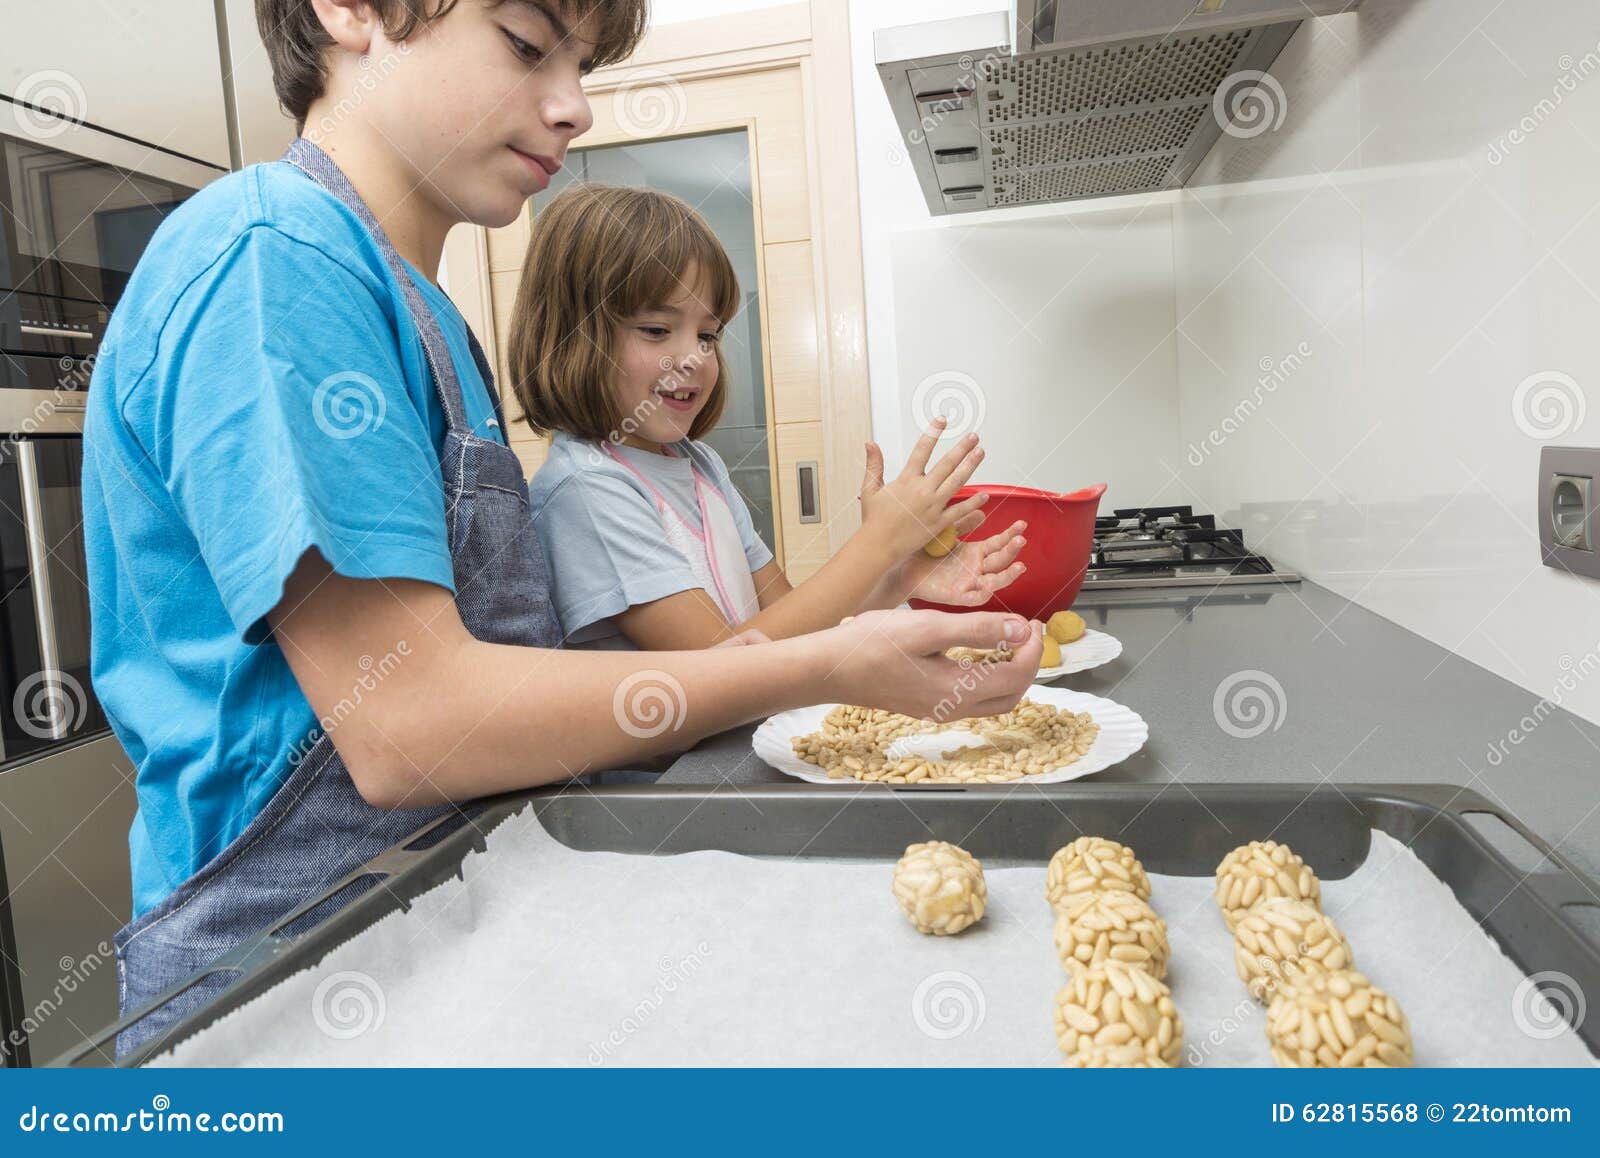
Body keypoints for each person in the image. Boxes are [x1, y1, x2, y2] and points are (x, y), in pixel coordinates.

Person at [80, 0, 1042, 1057]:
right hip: (290, 975)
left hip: (435, 925)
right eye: (528, 46)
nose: (573, 106)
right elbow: (408, 726)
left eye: (581, 64)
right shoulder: (274, 264)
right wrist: (831, 665)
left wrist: (864, 619)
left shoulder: (418, 309)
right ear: (350, 12)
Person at [516, 184, 1030, 650]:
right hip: (682, 760)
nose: (694, 357)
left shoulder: (701, 466)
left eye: (708, 335)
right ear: (570, 337)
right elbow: (722, 672)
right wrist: (878, 541)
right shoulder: (587, 489)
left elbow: (786, 625)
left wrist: (898, 576)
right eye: (656, 329)